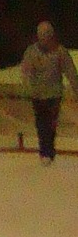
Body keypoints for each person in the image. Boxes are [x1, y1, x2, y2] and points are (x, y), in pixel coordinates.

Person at [20, 20, 78, 164]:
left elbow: (70, 72)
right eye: (42, 35)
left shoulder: (60, 52)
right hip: (38, 95)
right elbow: (26, 71)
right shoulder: (32, 52)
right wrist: (27, 88)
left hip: (54, 95)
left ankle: (48, 151)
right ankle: (44, 151)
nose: (44, 39)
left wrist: (76, 89)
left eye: (47, 35)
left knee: (50, 124)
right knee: (41, 123)